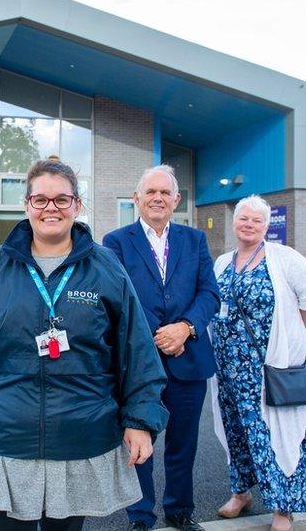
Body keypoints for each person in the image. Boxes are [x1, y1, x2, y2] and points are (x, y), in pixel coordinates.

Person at [0, 159, 169, 531]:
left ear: (77, 205)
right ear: (26, 205)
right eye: (40, 200)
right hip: (3, 437)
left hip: (79, 436)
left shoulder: (107, 267)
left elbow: (136, 349)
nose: (50, 208)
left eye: (61, 199)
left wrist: (140, 418)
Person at [103, 165, 220, 531]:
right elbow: (116, 299)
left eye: (164, 193)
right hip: (140, 364)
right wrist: (159, 335)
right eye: (150, 192)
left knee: (183, 445)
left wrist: (184, 328)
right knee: (138, 443)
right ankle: (140, 516)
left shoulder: (195, 240)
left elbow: (209, 294)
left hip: (189, 360)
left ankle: (180, 511)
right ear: (137, 198)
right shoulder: (116, 241)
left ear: (176, 201)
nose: (157, 198)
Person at [209, 195, 306, 531]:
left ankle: (282, 510)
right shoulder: (222, 262)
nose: (249, 224)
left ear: (266, 225)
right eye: (243, 218)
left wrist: (289, 336)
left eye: (257, 220)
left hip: (265, 370)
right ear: (234, 222)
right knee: (237, 435)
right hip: (227, 371)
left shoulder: (284, 259)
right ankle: (240, 493)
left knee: (275, 437)